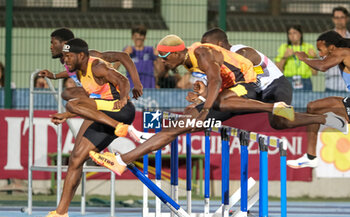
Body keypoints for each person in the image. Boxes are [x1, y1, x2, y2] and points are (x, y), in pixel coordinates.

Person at [89, 34, 301, 176]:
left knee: (182, 124)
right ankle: (123, 159)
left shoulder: (200, 53)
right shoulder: (189, 61)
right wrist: (201, 99)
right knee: (176, 126)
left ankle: (123, 159)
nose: (162, 63)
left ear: (174, 53)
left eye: (163, 58)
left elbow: (217, 80)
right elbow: (215, 83)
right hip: (230, 90)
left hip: (247, 87)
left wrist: (205, 109)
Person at [33, 38, 137, 217]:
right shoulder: (76, 71)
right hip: (104, 113)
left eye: (69, 56)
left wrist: (124, 97)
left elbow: (122, 79)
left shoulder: (96, 65)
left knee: (71, 100)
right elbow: (94, 101)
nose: (66, 60)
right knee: (76, 159)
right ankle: (60, 214)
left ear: (81, 55)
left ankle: (120, 127)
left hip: (121, 110)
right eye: (64, 57)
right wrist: (67, 114)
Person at [199, 28, 344, 131]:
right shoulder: (220, 62)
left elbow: (232, 81)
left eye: (207, 47)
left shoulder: (242, 52)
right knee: (215, 110)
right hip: (257, 93)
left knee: (280, 122)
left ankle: (323, 119)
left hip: (276, 86)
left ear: (218, 45)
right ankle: (190, 122)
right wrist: (202, 95)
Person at [38, 28, 150, 144]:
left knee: (69, 95)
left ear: (65, 44)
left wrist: (137, 84)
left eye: (53, 43)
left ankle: (118, 127)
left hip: (110, 99)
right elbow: (72, 72)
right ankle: (112, 157)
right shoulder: (69, 62)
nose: (51, 46)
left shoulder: (91, 57)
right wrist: (55, 76)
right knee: (80, 149)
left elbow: (123, 56)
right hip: (97, 99)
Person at [286, 30, 350, 168]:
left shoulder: (342, 52)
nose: (320, 54)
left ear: (331, 47)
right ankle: (310, 157)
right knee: (313, 107)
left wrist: (304, 58)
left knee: (314, 107)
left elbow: (322, 66)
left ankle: (337, 122)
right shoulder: (344, 54)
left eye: (320, 50)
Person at [275, 25, 317, 91]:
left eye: (294, 33)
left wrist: (313, 58)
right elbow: (277, 70)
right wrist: (284, 57)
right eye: (290, 33)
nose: (292, 36)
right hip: (289, 80)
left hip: (305, 80)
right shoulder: (284, 47)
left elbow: (315, 73)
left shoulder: (308, 47)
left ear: (300, 34)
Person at [324, 6, 350, 92]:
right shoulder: (326, 39)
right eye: (336, 17)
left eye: (342, 17)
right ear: (333, 19)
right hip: (331, 84)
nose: (339, 20)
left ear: (347, 19)